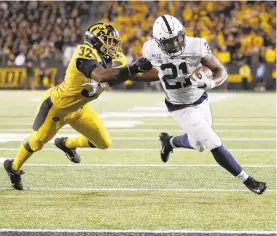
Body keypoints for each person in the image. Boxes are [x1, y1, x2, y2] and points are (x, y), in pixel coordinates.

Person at [4, 22, 152, 190]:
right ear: (96, 42)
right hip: (57, 107)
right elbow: (101, 76)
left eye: (114, 42)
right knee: (37, 142)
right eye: (109, 42)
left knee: (103, 143)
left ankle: (67, 144)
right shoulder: (84, 53)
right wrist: (133, 67)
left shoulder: (115, 60)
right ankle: (13, 168)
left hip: (79, 109)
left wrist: (163, 75)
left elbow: (136, 75)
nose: (113, 46)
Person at [136, 15, 267, 195]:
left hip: (200, 98)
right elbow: (151, 72)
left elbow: (220, 70)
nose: (175, 45)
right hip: (179, 106)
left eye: (177, 39)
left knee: (199, 144)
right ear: (158, 42)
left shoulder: (195, 45)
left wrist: (210, 83)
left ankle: (170, 142)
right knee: (212, 141)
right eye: (169, 42)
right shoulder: (149, 50)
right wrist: (143, 71)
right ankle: (248, 180)